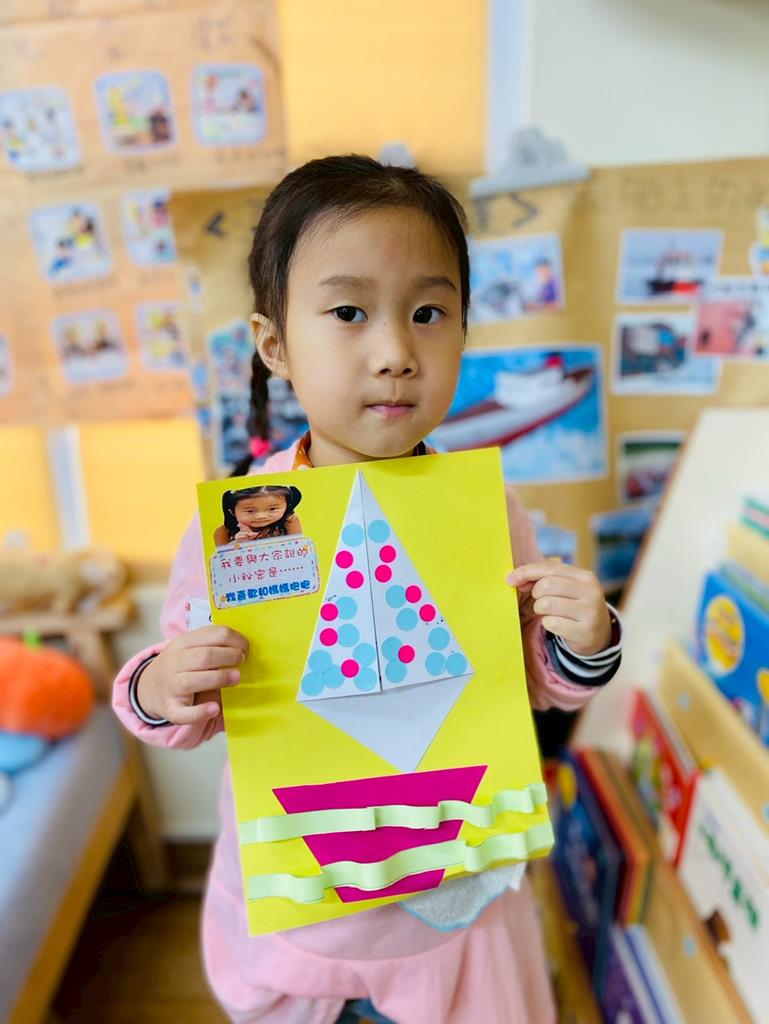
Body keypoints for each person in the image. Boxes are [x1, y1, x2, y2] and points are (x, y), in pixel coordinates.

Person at [113, 155, 622, 1024]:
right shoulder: (241, 524)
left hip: (455, 914)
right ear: (274, 345)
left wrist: (582, 637)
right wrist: (162, 686)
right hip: (305, 928)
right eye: (348, 313)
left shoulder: (487, 511)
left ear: (462, 330)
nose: (394, 355)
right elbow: (175, 703)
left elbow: (532, 680)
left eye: (428, 314)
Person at [213, 485, 303, 546]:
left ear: (287, 506)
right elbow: (222, 560)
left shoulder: (289, 522)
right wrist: (239, 543)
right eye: (250, 511)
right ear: (232, 511)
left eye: (272, 509)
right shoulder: (224, 531)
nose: (261, 516)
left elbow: (297, 547)